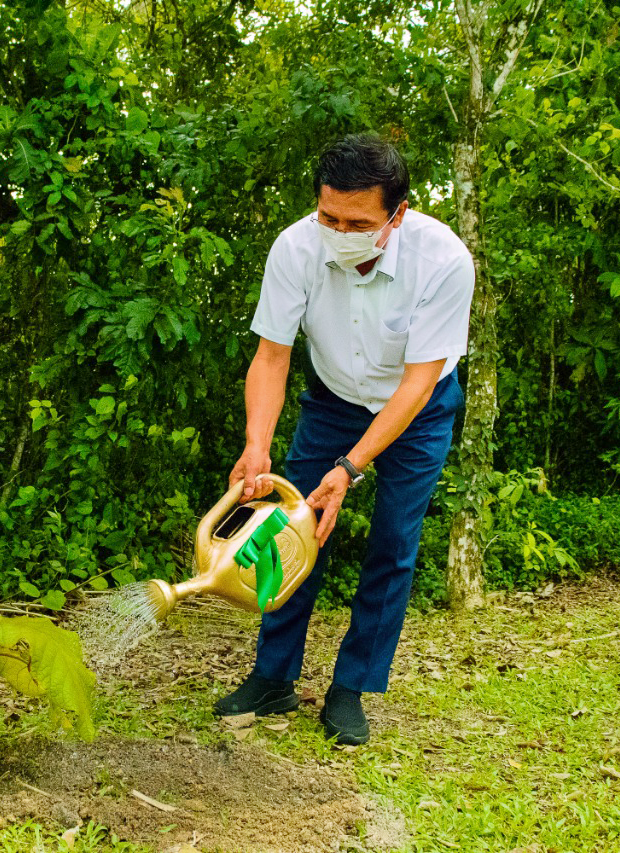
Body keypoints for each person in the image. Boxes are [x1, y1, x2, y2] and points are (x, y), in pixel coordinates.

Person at [215, 133, 474, 745]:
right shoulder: (296, 247)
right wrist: (257, 444)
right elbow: (272, 356)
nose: (338, 230)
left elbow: (417, 383)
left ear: (397, 215)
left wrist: (351, 469)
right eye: (328, 215)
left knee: (392, 543)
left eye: (356, 222)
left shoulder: (442, 260)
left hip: (420, 408)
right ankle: (274, 676)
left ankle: (351, 688)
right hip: (334, 399)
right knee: (287, 529)